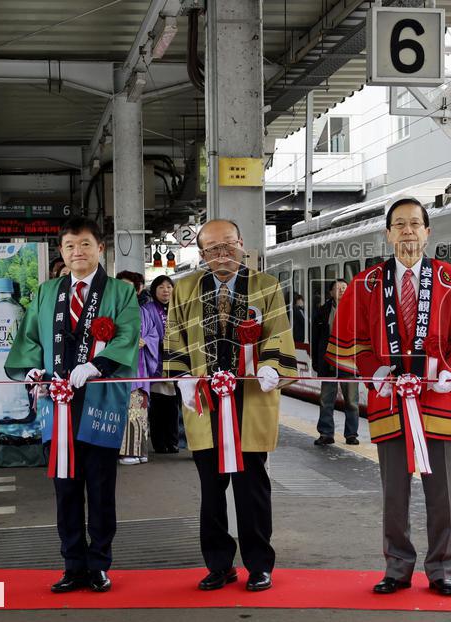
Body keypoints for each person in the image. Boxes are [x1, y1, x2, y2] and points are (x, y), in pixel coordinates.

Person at [327, 198, 451, 597]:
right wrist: (375, 372)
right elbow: (356, 341)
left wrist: (449, 371)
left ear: (427, 232)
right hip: (388, 400)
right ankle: (397, 567)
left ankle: (442, 569)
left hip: (437, 401)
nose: (407, 231)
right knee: (394, 492)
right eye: (399, 224)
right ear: (387, 234)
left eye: (415, 224)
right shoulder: (366, 284)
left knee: (441, 492)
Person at [5, 217, 140, 594]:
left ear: (100, 248)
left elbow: (128, 334)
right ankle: (72, 564)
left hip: (99, 402)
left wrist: (96, 365)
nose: (76, 252)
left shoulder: (120, 292)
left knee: (100, 488)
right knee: (64, 489)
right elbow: (29, 337)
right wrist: (32, 369)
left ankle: (99, 563)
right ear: (61, 252)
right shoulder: (48, 292)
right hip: (57, 405)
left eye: (84, 244)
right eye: (69, 246)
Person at [163, 218, 297, 593]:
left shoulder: (266, 287)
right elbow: (174, 335)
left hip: (251, 398)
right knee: (211, 489)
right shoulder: (185, 288)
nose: (222, 254)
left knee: (252, 487)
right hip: (204, 401)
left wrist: (271, 367)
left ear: (243, 244)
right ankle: (219, 564)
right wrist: (182, 377)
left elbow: (279, 334)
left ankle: (259, 565)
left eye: (229, 245)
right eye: (212, 248)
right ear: (201, 253)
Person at [115, 271, 162, 466]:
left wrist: (146, 341)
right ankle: (127, 452)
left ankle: (139, 450)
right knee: (123, 410)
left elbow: (154, 335)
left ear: (137, 289)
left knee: (139, 409)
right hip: (119, 368)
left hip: (140, 366)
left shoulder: (144, 312)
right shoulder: (112, 309)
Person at [312, 279, 359, 446]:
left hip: (350, 363)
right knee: (326, 400)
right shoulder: (322, 311)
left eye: (344, 288)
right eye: (337, 288)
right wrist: (316, 362)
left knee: (352, 401)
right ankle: (326, 433)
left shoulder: (356, 310)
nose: (341, 291)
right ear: (331, 292)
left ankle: (351, 434)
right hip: (328, 363)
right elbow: (315, 338)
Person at [146, 275, 183, 453]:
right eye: (161, 287)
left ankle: (174, 441)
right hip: (155, 361)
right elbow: (147, 333)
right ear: (154, 290)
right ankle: (159, 443)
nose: (166, 290)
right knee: (157, 405)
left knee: (174, 405)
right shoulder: (147, 309)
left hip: (177, 361)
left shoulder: (179, 308)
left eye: (169, 287)